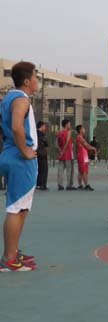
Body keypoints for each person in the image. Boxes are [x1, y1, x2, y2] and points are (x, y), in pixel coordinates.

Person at [0, 61, 39, 271]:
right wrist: (25, 151)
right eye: (35, 76)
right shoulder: (21, 99)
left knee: (21, 207)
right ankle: (8, 258)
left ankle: (13, 252)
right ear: (27, 80)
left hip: (10, 154)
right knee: (16, 209)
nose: (37, 80)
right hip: (20, 159)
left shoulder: (8, 97)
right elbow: (16, 127)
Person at [75, 125, 96, 191]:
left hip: (84, 155)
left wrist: (92, 148)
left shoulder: (81, 137)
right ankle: (86, 185)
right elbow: (87, 146)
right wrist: (93, 148)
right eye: (83, 128)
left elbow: (87, 145)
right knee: (83, 170)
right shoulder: (79, 137)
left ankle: (80, 185)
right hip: (82, 155)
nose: (84, 130)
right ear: (80, 130)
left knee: (82, 171)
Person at [56, 119, 75, 190]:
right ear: (66, 124)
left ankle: (60, 185)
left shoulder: (59, 133)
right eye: (69, 124)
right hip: (68, 154)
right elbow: (67, 142)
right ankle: (69, 185)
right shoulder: (68, 132)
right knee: (69, 170)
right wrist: (63, 151)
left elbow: (56, 144)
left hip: (61, 155)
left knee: (60, 170)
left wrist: (60, 151)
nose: (70, 125)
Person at [35, 121, 49, 191]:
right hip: (42, 154)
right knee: (44, 170)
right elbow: (46, 144)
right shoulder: (42, 135)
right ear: (41, 126)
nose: (45, 128)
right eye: (44, 126)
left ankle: (38, 184)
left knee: (38, 170)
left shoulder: (34, 134)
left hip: (36, 154)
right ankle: (42, 184)